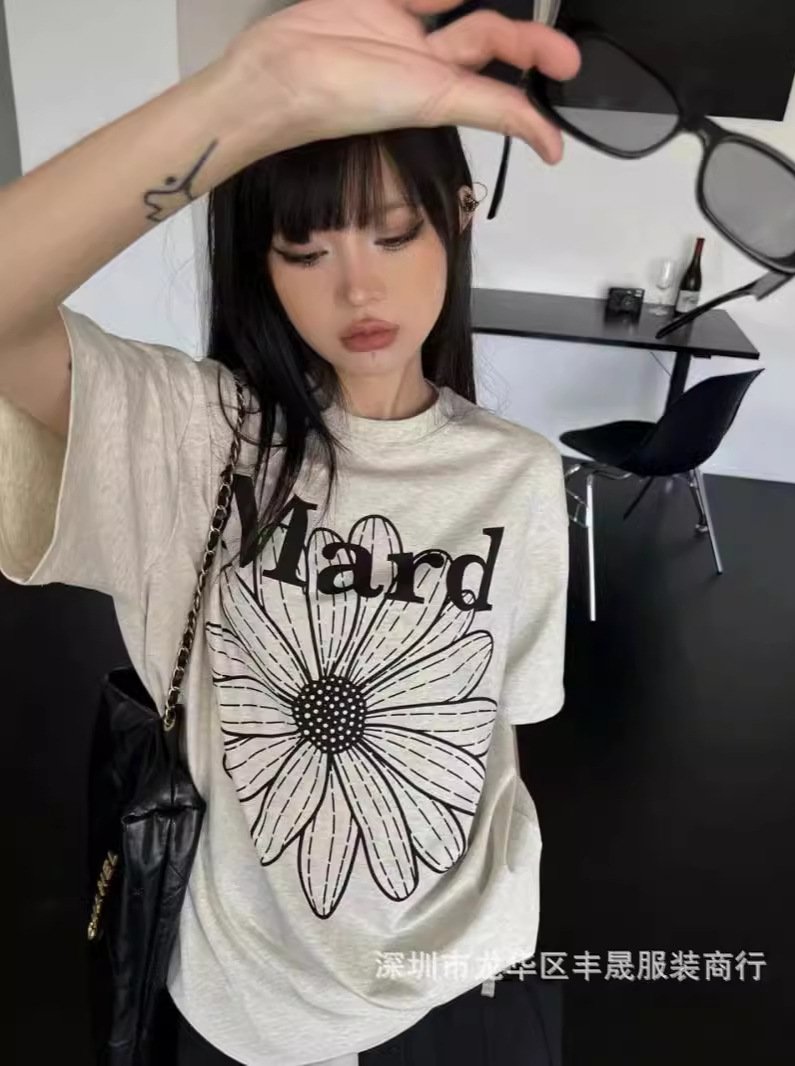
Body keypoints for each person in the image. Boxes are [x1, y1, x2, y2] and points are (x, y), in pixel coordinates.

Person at [0, 1, 580, 1063]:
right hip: (245, 1004)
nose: (358, 286)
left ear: (459, 217)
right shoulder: (196, 442)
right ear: (259, 265)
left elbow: (495, 733)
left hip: (471, 983)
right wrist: (242, 99)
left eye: (394, 233)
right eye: (303, 249)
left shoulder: (520, 475)